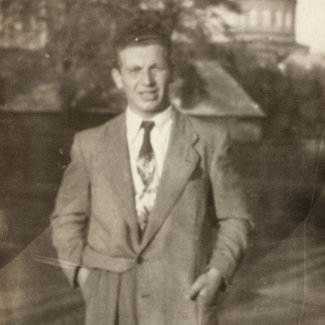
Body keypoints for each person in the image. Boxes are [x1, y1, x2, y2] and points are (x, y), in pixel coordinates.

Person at [51, 16, 253, 325]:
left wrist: (217, 274)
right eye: (134, 70)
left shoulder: (209, 140)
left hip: (183, 301)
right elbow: (66, 219)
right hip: (109, 302)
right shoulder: (89, 144)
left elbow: (236, 218)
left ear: (171, 71)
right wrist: (81, 274)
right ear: (118, 78)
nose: (146, 82)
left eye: (155, 68)